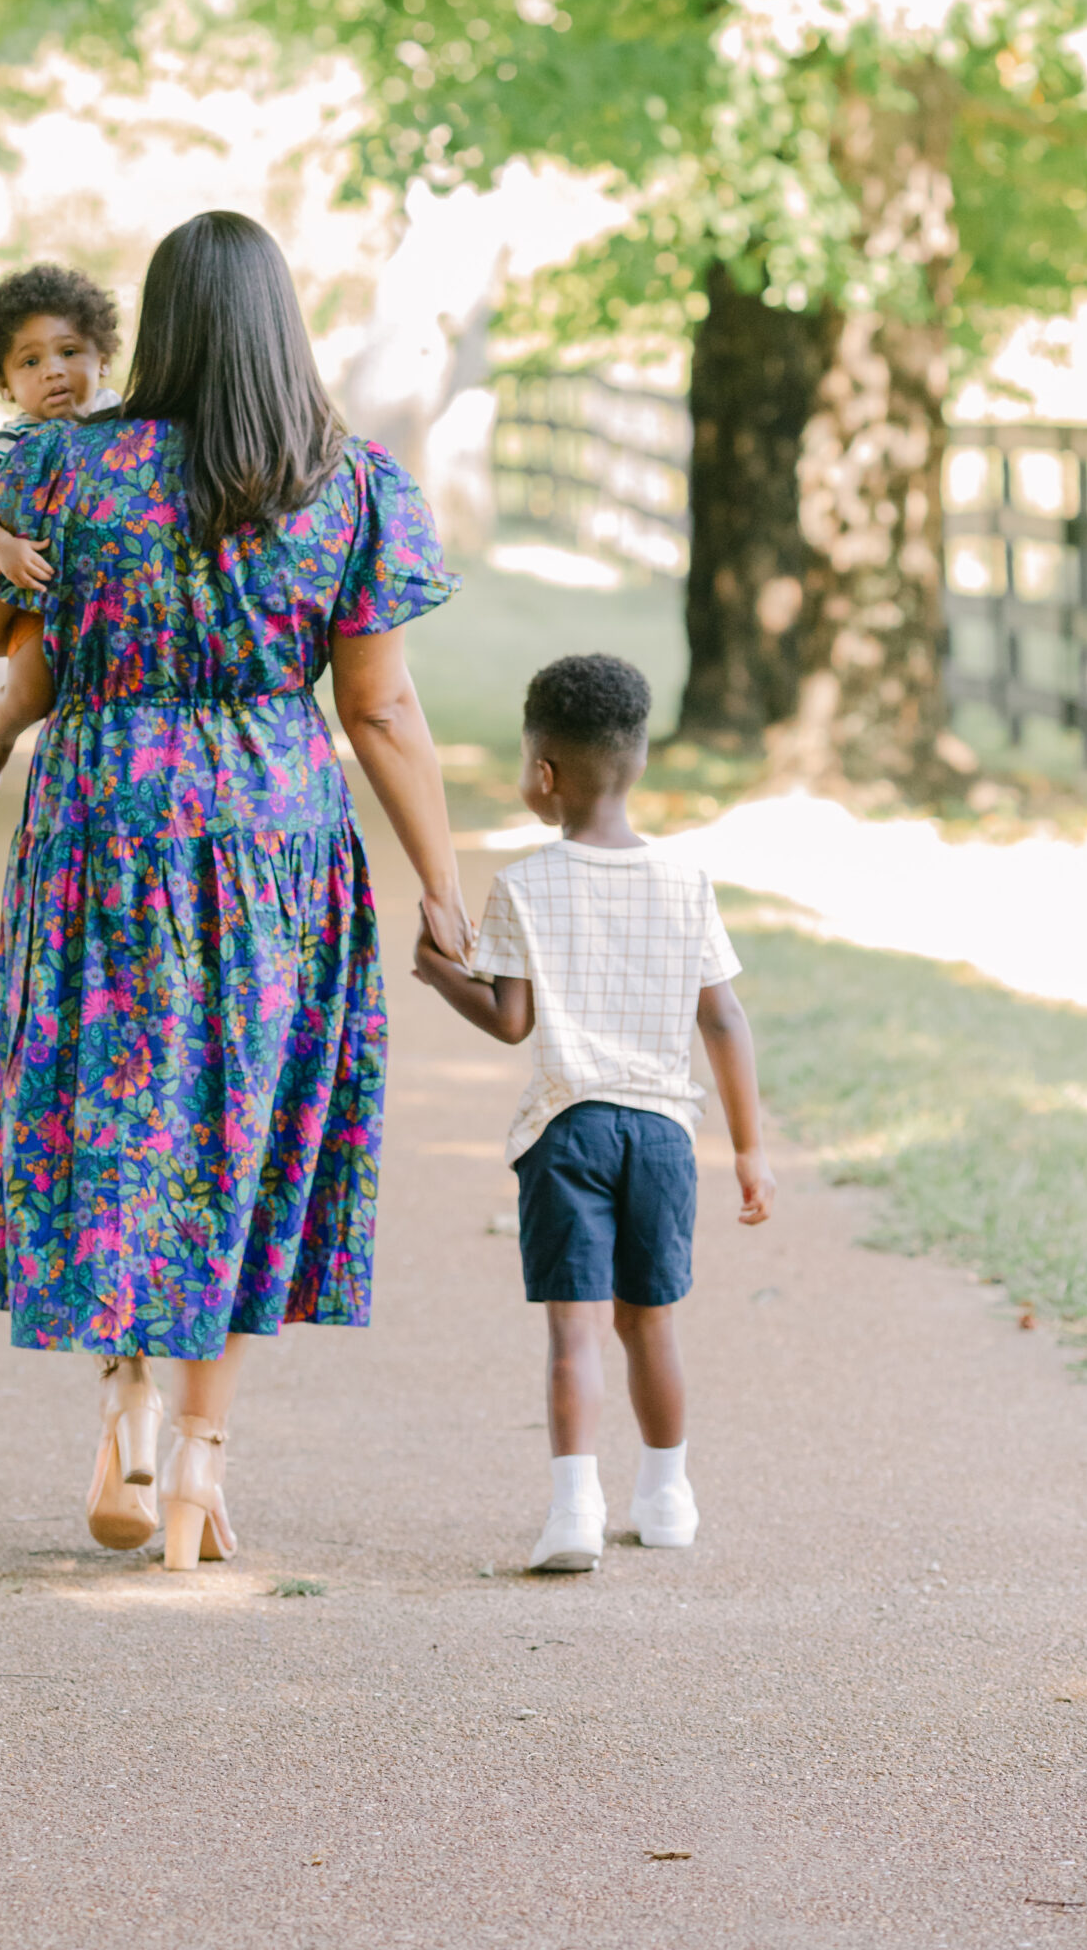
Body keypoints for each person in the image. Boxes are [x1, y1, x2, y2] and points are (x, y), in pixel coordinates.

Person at [0, 209, 467, 1570]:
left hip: (104, 825)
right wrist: (445, 890)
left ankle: (122, 1410)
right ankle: (198, 1474)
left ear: (151, 327)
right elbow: (384, 711)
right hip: (274, 831)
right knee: (240, 1128)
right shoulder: (343, 481)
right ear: (277, 322)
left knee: (116, 1107)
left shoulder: (61, 467)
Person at [412, 652, 774, 1573]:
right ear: (639, 761)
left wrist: (437, 971)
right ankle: (667, 1496)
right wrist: (750, 1151)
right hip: (660, 1134)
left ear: (544, 774)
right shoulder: (686, 882)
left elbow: (510, 1021)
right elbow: (724, 1018)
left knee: (574, 1328)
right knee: (651, 1320)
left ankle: (575, 1510)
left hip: (566, 1128)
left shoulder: (524, 886)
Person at [0, 264, 122, 798]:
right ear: (5, 383)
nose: (53, 371)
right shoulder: (16, 438)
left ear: (103, 358)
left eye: (69, 352)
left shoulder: (124, 419)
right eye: (31, 361)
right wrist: (1, 546)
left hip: (99, 597)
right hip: (34, 593)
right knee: (30, 696)